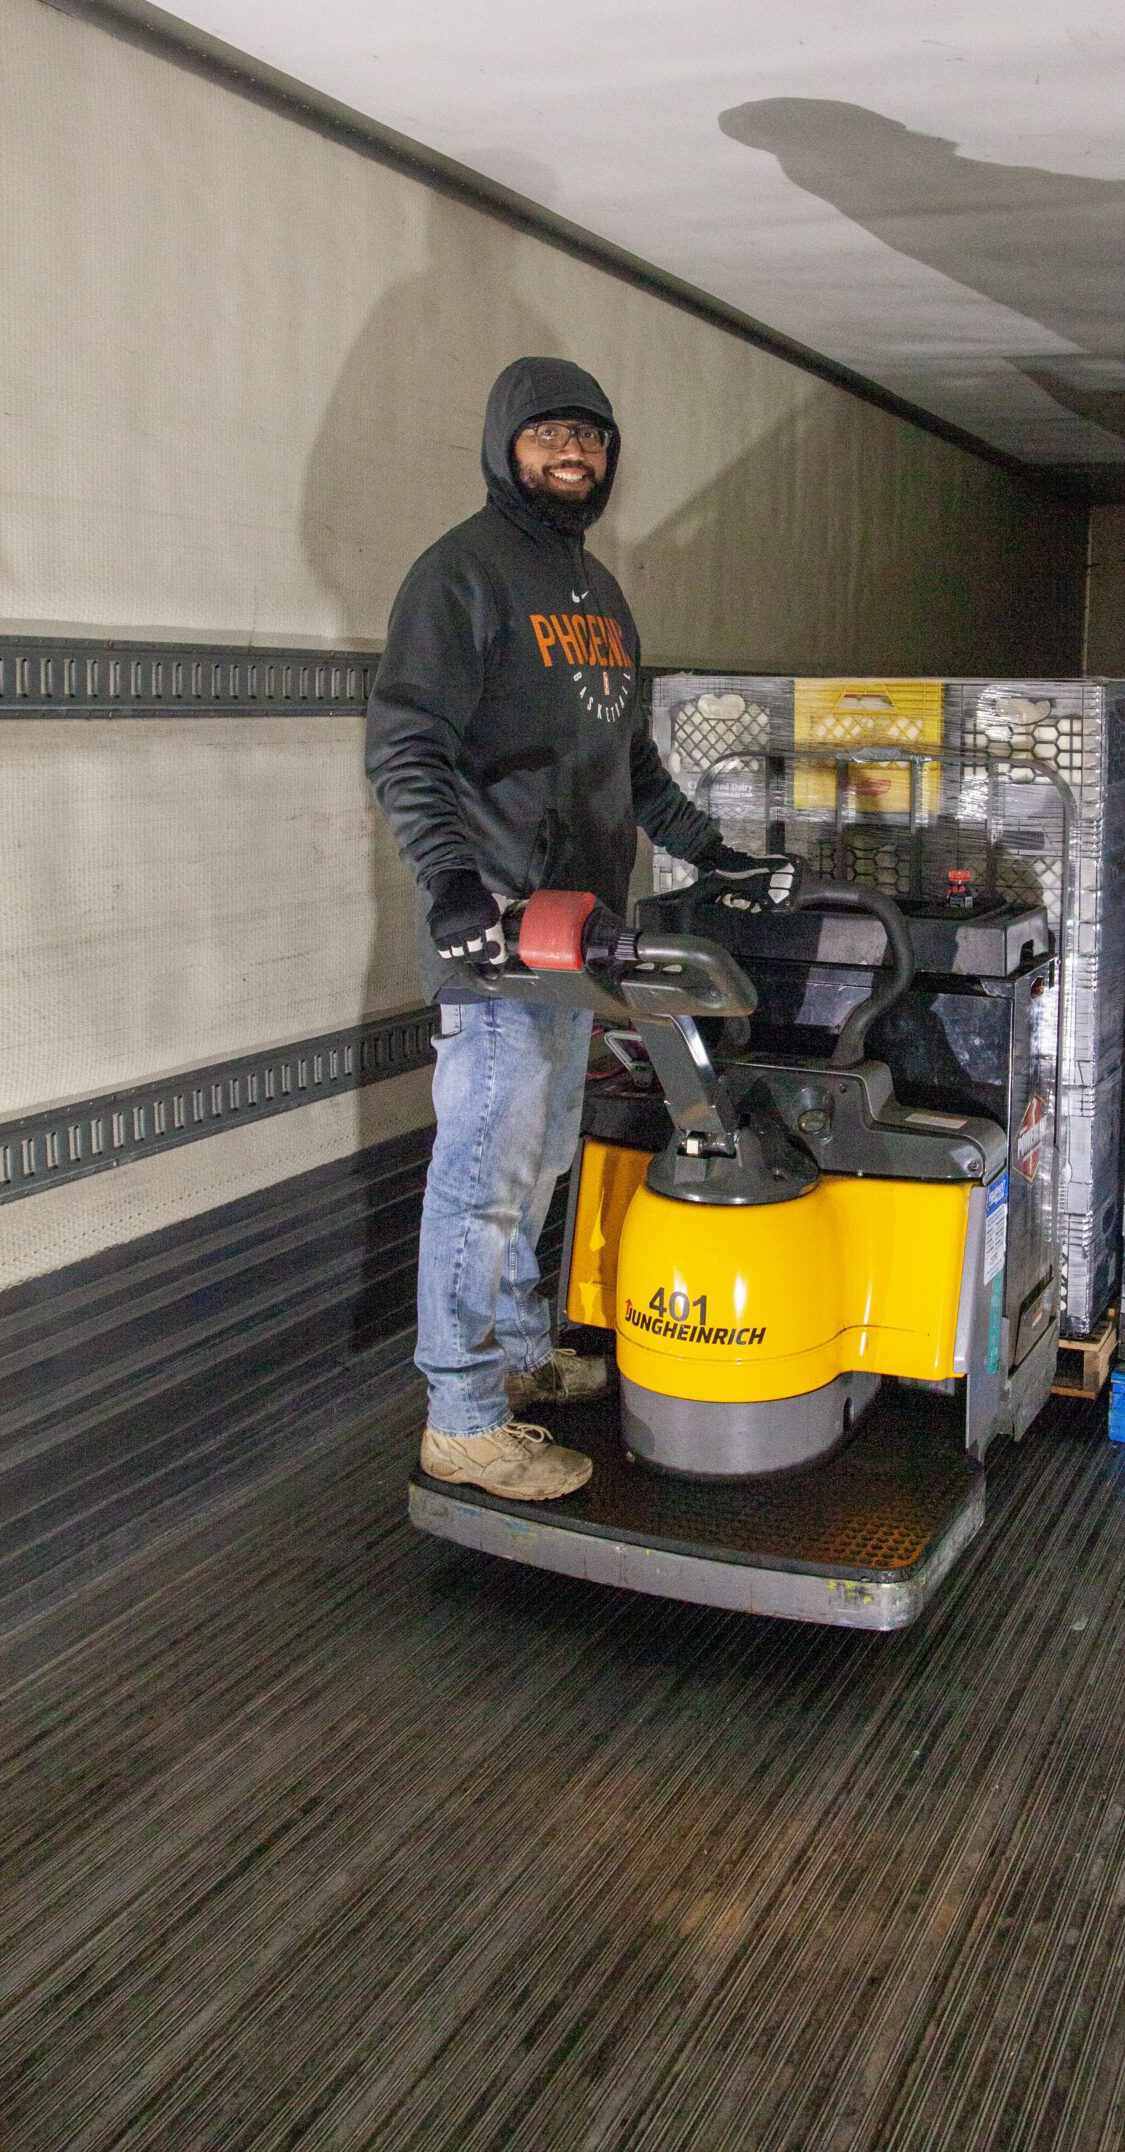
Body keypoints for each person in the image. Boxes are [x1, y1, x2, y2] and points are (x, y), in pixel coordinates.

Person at [366, 357, 791, 1502]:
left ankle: (513, 1358)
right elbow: (408, 742)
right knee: (484, 1173)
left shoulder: (595, 590)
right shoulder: (458, 575)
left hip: (580, 936)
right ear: (506, 441)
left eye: (592, 439)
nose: (574, 453)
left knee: (542, 1155)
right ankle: (459, 1415)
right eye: (551, 433)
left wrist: (712, 847)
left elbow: (630, 761)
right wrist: (450, 886)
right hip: (502, 937)